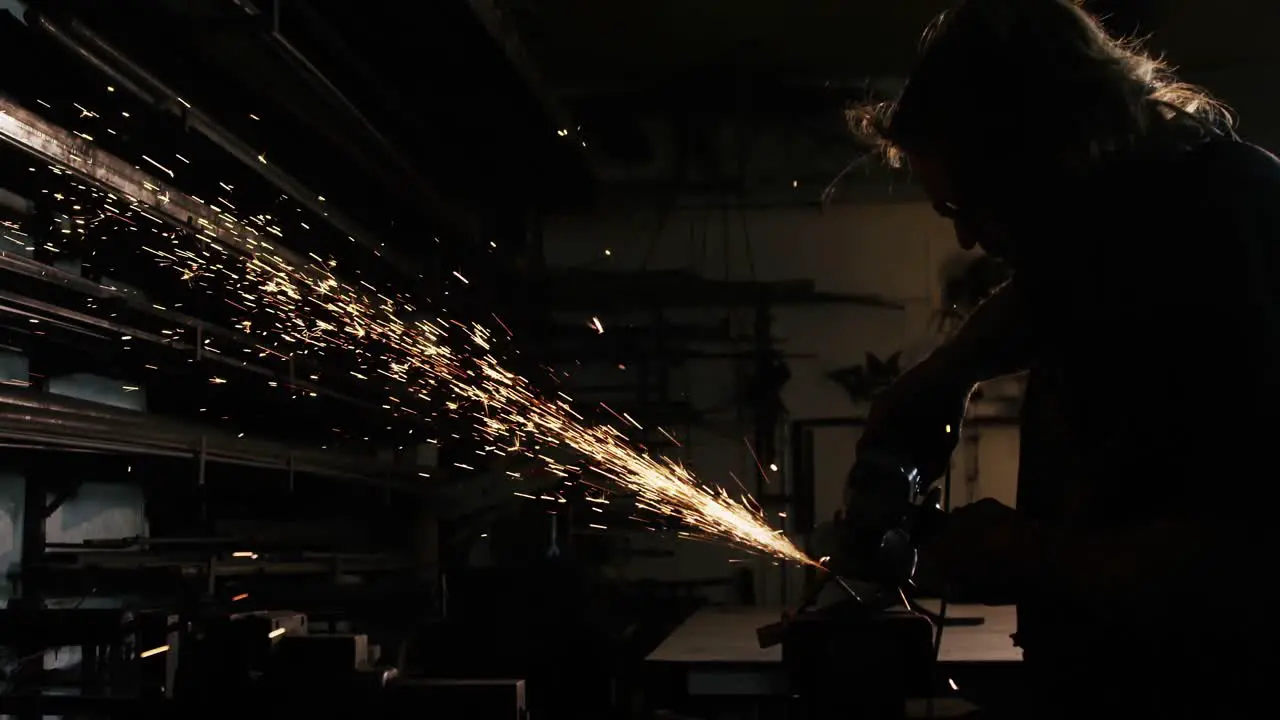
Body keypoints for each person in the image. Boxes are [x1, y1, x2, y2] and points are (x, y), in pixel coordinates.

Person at [850, 0, 1276, 717]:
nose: (969, 244)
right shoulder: (1128, 224)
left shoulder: (1236, 238)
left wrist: (1027, 556)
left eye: (969, 210)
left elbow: (1249, 557)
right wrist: (948, 373)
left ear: (1047, 158)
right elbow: (1054, 294)